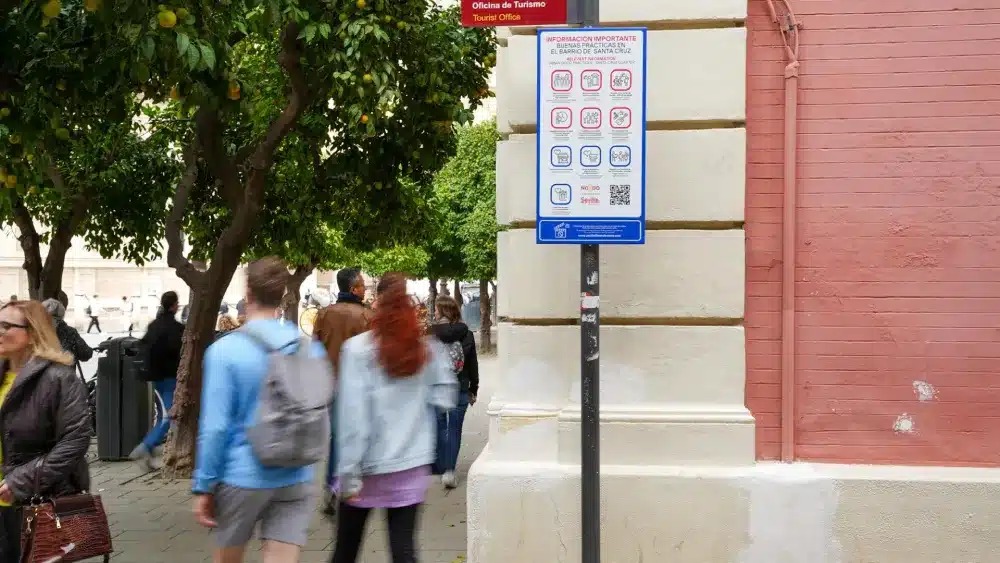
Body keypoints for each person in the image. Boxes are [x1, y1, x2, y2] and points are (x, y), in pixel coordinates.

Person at [193, 257, 330, 563]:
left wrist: (204, 485)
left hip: (242, 476)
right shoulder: (308, 348)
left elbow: (215, 428)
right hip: (296, 473)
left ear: (248, 293)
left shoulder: (224, 352)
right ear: (282, 294)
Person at [330, 273, 457, 563]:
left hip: (367, 468)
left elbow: (353, 417)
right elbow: (446, 397)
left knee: (345, 551)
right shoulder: (426, 349)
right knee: (403, 550)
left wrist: (348, 472)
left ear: (377, 305)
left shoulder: (358, 350)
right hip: (411, 464)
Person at [0, 300, 92, 562]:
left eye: (6, 326)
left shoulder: (59, 379)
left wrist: (21, 481)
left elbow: (75, 441)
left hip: (33, 505)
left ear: (32, 333)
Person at [313, 268, 373, 517]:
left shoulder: (324, 314)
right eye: (362, 285)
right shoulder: (366, 316)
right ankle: (347, 484)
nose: (365, 289)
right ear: (353, 289)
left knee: (336, 437)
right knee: (355, 435)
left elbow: (315, 351)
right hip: (357, 386)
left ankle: (332, 484)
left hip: (330, 384)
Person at [427, 295, 479, 489]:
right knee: (455, 429)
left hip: (436, 386)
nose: (434, 312)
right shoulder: (467, 333)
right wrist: (474, 387)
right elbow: (472, 364)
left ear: (441, 311)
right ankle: (449, 471)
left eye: (436, 309)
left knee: (440, 427)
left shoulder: (430, 333)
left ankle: (441, 465)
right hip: (460, 386)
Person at [129, 291, 184, 470]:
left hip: (156, 377)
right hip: (170, 377)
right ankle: (145, 447)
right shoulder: (176, 328)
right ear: (174, 306)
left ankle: (152, 454)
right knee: (169, 415)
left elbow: (142, 345)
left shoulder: (154, 325)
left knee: (164, 414)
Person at [42, 298, 93, 367]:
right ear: (61, 316)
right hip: (65, 372)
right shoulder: (69, 332)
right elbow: (86, 354)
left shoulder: (34, 332)